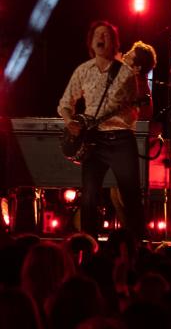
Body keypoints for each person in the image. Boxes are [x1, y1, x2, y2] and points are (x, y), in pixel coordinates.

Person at [57, 20, 152, 238]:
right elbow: (65, 103)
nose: (102, 38)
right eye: (97, 35)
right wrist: (70, 121)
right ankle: (88, 244)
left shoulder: (127, 72)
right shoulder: (83, 70)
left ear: (114, 43)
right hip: (94, 140)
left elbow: (144, 108)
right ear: (91, 42)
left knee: (130, 195)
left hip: (121, 138)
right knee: (89, 196)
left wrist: (142, 78)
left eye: (107, 35)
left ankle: (137, 244)